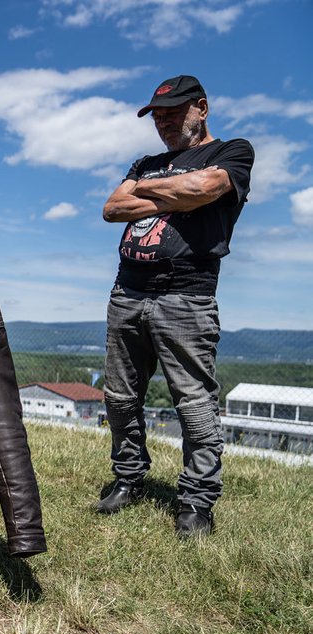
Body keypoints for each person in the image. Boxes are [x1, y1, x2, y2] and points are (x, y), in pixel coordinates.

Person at [95, 75, 254, 538]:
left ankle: (196, 502)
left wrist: (146, 193)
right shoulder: (146, 161)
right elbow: (111, 208)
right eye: (157, 116)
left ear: (201, 108)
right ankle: (128, 478)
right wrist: (176, 193)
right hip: (127, 292)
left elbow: (205, 189)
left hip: (187, 295)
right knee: (120, 397)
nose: (163, 122)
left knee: (194, 403)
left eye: (172, 113)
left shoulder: (232, 152)